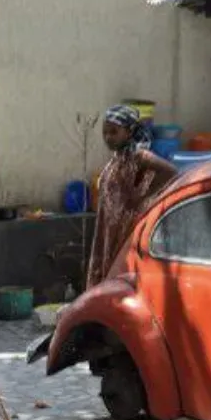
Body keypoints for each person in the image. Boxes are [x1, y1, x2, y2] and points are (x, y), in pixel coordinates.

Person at [86, 104, 179, 287]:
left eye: (114, 132)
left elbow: (170, 171)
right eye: (105, 132)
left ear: (129, 132)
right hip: (108, 230)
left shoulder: (138, 156)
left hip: (125, 231)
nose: (108, 137)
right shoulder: (118, 158)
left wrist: (142, 198)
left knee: (120, 279)